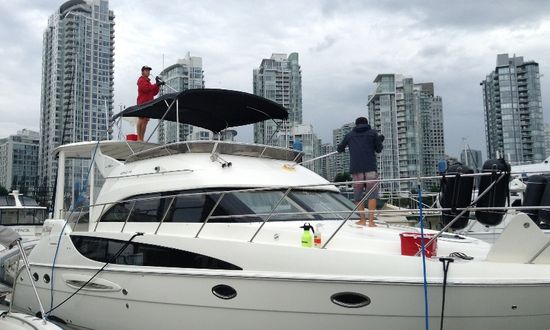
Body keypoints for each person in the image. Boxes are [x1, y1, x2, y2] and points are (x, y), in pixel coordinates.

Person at [337, 117, 384, 227]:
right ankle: (371, 221)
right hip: (370, 168)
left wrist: (344, 148)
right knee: (372, 195)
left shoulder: (349, 135)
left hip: (356, 169)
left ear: (356, 124)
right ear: (367, 123)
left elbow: (340, 148)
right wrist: (380, 139)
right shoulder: (373, 133)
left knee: (358, 195)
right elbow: (378, 149)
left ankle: (362, 219)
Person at [136, 65, 164, 141]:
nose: (148, 72)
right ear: (142, 72)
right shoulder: (141, 80)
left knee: (145, 121)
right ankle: (139, 138)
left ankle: (141, 138)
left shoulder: (149, 82)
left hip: (149, 103)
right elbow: (146, 89)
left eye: (149, 70)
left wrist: (158, 85)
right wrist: (156, 84)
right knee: (141, 119)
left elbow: (154, 92)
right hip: (142, 103)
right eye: (146, 70)